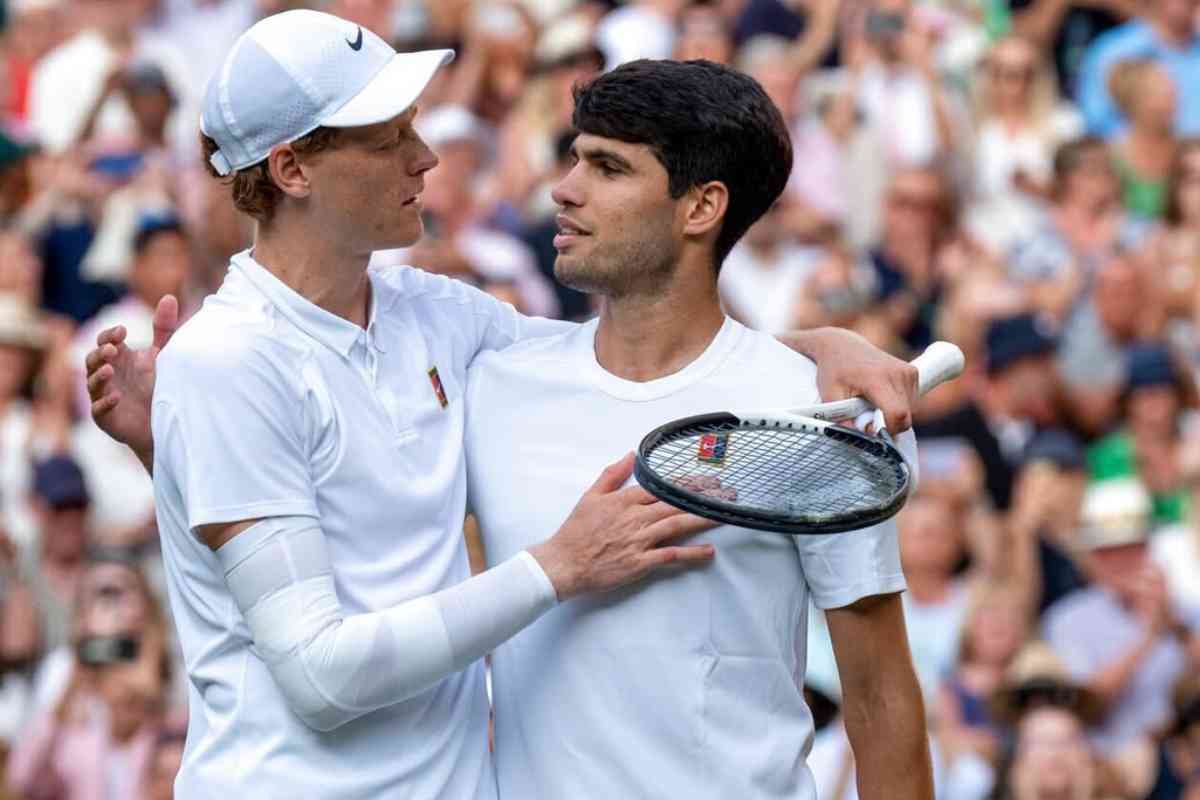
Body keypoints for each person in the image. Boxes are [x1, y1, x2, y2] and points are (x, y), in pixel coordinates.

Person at [82, 11, 923, 798]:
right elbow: (319, 675)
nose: (427, 158)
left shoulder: (445, 323)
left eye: (607, 167)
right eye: (389, 139)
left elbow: (664, 346)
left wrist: (823, 347)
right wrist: (559, 566)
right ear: (292, 169)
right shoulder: (224, 361)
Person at [465, 59, 932, 799]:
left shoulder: (819, 411)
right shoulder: (490, 385)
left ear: (701, 207)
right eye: (574, 157)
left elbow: (879, 696)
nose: (565, 188)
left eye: (608, 167)